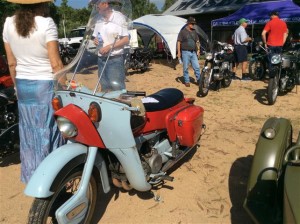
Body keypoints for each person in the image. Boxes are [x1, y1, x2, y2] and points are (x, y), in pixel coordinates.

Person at [2, 0, 65, 183]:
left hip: (22, 84)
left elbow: (11, 63)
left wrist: (16, 86)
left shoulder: (8, 23)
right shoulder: (47, 24)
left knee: (29, 131)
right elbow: (56, 64)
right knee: (48, 129)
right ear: (42, 4)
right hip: (44, 84)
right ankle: (51, 177)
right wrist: (65, 86)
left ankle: (32, 175)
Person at [93, 0, 129, 91]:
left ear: (105, 4)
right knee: (105, 88)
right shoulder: (99, 19)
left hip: (114, 59)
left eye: (98, 6)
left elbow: (126, 39)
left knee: (117, 89)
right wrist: (95, 40)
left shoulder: (119, 17)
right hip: (101, 59)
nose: (96, 9)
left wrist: (109, 47)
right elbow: (96, 36)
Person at [177, 16, 201, 87]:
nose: (192, 25)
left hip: (193, 52)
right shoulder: (182, 32)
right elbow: (179, 42)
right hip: (185, 52)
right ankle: (187, 81)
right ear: (188, 23)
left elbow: (197, 41)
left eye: (193, 24)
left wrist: (198, 50)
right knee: (185, 67)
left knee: (196, 67)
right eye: (191, 23)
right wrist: (179, 52)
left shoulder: (194, 32)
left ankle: (199, 80)